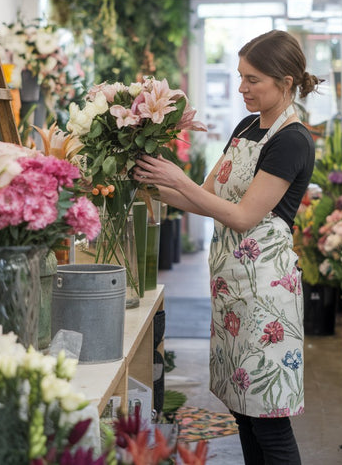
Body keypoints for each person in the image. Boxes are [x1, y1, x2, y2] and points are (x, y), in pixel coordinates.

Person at [134, 29, 320, 464]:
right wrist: (146, 179)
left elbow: (240, 216)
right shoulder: (246, 127)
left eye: (253, 79)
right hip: (232, 290)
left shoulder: (292, 140)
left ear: (286, 82)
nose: (242, 88)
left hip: (267, 298)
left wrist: (177, 181)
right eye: (241, 77)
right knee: (243, 412)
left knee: (269, 418)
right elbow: (205, 196)